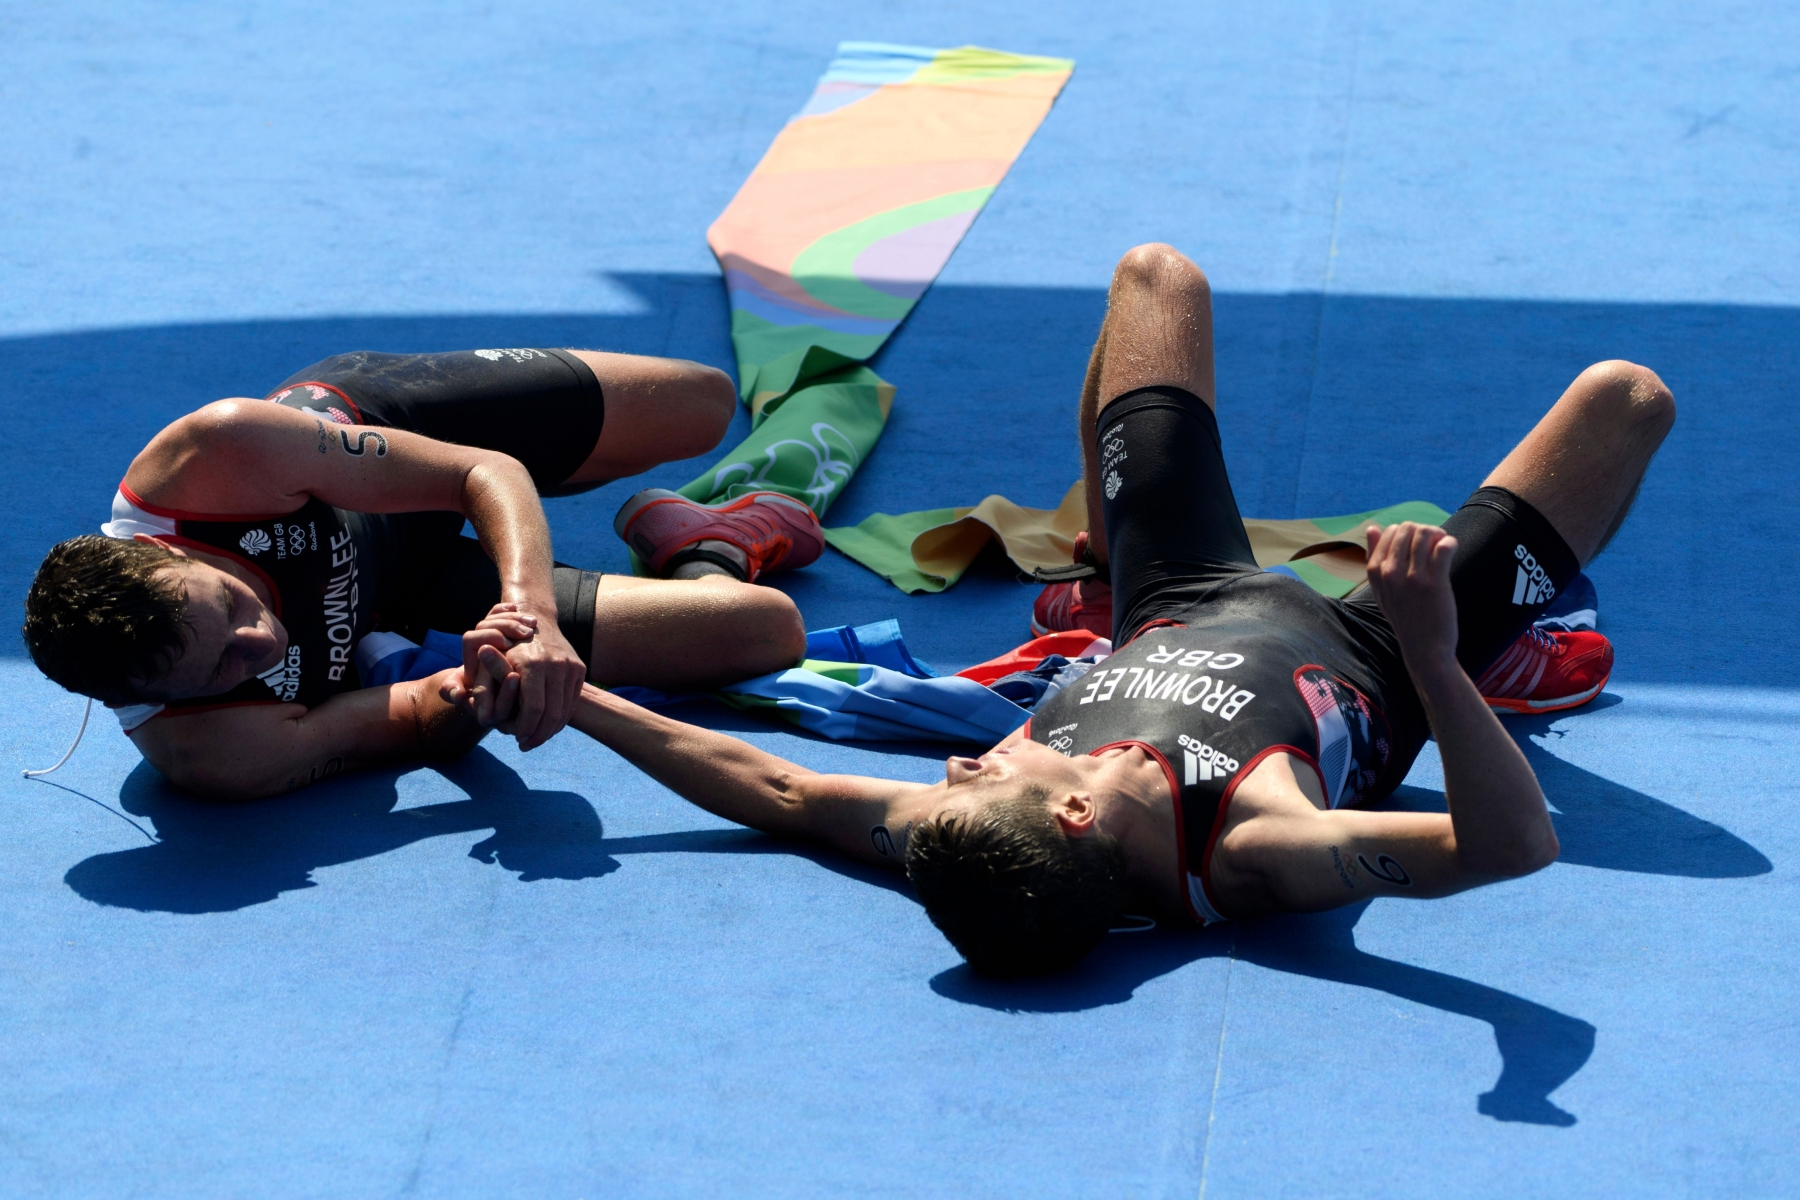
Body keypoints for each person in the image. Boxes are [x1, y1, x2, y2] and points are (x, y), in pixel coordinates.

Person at [450, 244, 1675, 977]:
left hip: (1166, 598)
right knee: (1627, 399)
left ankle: (1098, 533)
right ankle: (1503, 643)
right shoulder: (1254, 855)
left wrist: (574, 691)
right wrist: (1434, 649)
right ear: (1079, 808)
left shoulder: (983, 845)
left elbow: (772, 788)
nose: (968, 758)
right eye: (986, 775)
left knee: (1156, 278)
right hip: (1384, 649)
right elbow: (1513, 847)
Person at [23, 347, 825, 799]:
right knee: (760, 630)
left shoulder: (221, 454)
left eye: (230, 604)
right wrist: (478, 688)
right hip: (407, 598)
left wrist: (530, 612)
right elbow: (413, 713)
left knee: (701, 403)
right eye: (224, 667)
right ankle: (703, 540)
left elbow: (483, 472)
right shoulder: (214, 751)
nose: (259, 643)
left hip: (399, 436)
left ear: (169, 551)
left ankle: (576, 472)